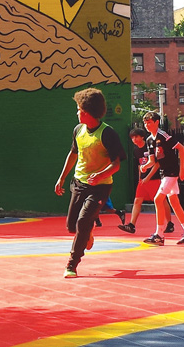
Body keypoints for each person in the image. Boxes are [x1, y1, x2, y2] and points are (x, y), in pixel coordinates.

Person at [55, 88, 126, 278]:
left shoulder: (107, 133)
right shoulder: (78, 130)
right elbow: (73, 154)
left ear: (86, 112)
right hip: (79, 183)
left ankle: (72, 264)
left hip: (100, 186)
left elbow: (116, 164)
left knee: (82, 221)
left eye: (78, 109)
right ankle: (89, 230)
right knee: (72, 226)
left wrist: (101, 174)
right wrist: (61, 178)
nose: (76, 113)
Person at [140, 112, 184, 245]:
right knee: (174, 202)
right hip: (164, 173)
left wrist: (182, 169)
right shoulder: (149, 140)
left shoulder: (163, 136)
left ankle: (159, 235)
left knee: (158, 199)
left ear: (157, 122)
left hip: (171, 172)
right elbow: (152, 160)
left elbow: (181, 149)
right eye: (145, 123)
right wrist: (145, 166)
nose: (147, 125)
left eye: (149, 122)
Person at [118, 128, 175, 234]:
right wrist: (141, 178)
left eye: (136, 137)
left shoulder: (149, 145)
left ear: (142, 137)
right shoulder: (136, 150)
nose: (134, 139)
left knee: (161, 201)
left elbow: (157, 163)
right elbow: (139, 165)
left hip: (154, 178)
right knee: (137, 201)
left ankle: (169, 223)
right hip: (143, 180)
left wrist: (148, 176)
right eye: (132, 138)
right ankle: (131, 225)